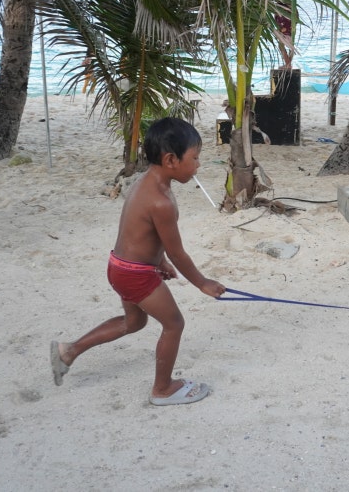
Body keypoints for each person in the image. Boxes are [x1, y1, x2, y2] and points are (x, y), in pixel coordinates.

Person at [49, 117, 226, 405]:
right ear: (171, 160)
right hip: (135, 274)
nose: (198, 165)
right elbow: (179, 252)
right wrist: (202, 283)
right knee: (174, 324)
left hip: (121, 265)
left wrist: (159, 261)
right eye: (195, 158)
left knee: (134, 322)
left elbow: (141, 235)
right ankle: (163, 389)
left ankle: (68, 351)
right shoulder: (162, 201)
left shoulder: (146, 183)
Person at [274, 0, 297, 69]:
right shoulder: (292, 6)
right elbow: (296, 18)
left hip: (284, 29)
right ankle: (288, 64)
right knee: (291, 48)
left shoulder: (280, 6)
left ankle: (288, 64)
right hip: (291, 29)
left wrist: (282, 29)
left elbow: (278, 17)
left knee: (281, 46)